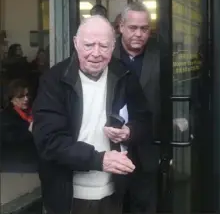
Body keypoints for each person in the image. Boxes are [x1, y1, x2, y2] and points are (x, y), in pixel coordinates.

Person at [32, 15, 152, 214]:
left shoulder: (124, 75)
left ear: (113, 46)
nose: (96, 53)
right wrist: (99, 159)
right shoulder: (54, 80)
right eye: (89, 45)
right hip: (67, 195)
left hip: (115, 191)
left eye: (104, 46)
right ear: (75, 43)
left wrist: (129, 132)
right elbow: (48, 140)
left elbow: (145, 120)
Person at [113, 1, 160, 213]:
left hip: (148, 146)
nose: (139, 34)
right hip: (111, 146)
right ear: (121, 26)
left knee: (144, 205)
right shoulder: (104, 52)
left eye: (144, 28)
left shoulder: (162, 55)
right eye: (133, 28)